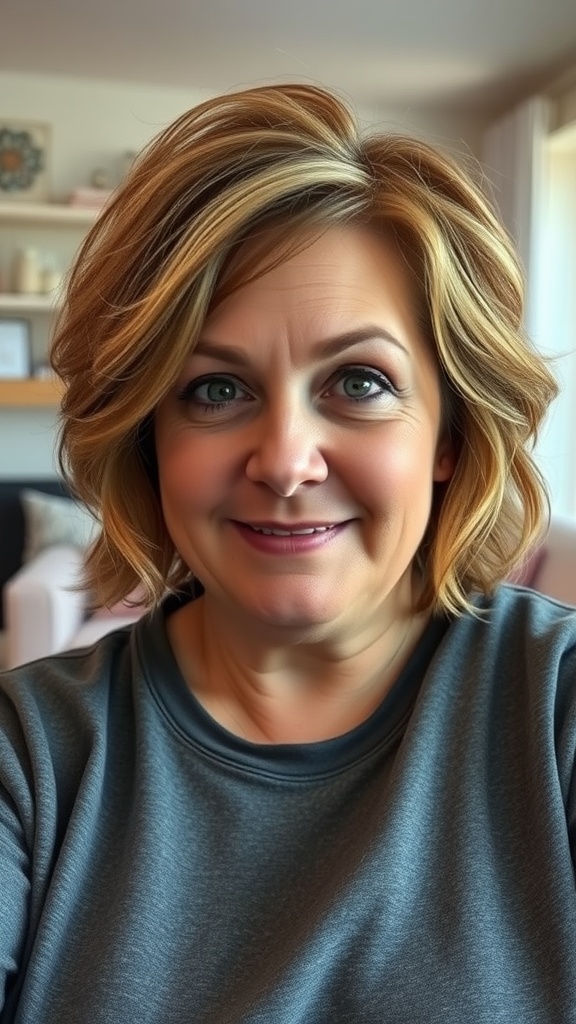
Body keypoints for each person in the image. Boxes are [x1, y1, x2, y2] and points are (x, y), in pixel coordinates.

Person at [0, 82, 574, 1023]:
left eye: (359, 380)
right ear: (152, 438)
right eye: (216, 390)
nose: (284, 461)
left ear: (449, 437)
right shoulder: (31, 757)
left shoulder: (557, 716)